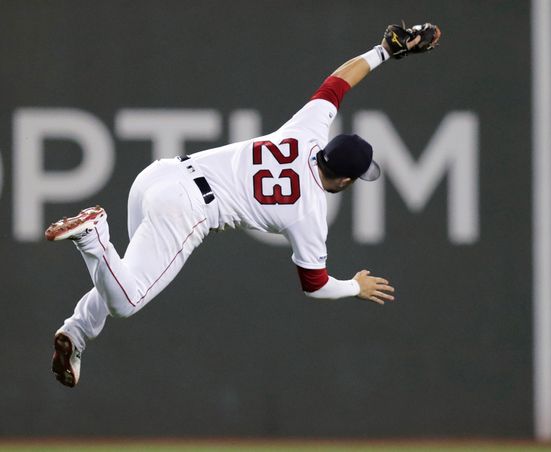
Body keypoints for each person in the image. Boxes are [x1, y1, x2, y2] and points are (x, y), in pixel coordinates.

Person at [45, 22, 441, 387]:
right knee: (127, 301)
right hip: (187, 209)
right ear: (346, 179)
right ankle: (93, 236)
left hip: (163, 173)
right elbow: (315, 287)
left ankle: (76, 332)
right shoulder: (309, 212)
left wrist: (384, 51)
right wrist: (355, 286)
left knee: (126, 273)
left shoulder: (307, 130)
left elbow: (339, 83)